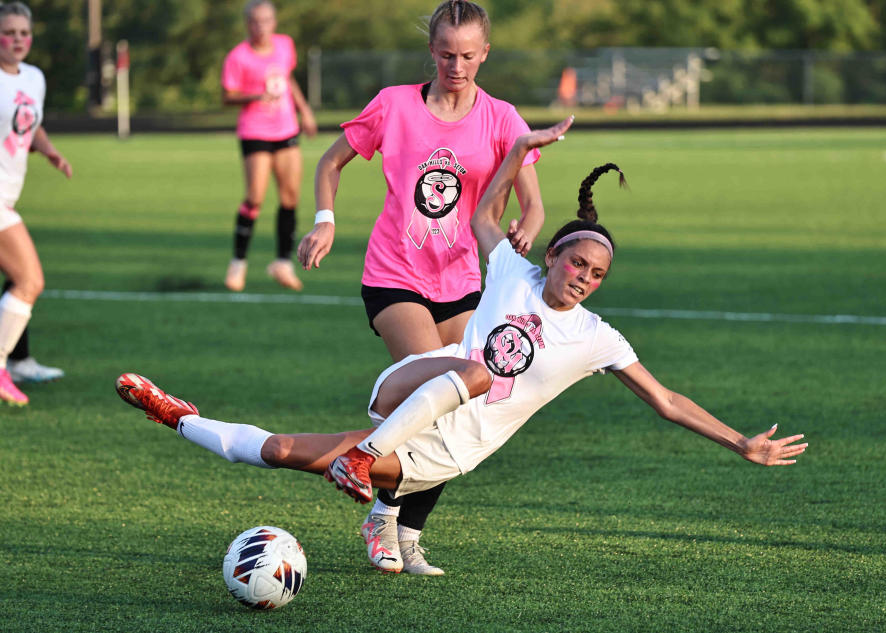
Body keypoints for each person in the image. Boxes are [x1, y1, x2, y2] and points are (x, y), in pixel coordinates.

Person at [114, 118, 808, 571]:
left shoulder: (598, 338)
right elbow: (482, 213)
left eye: (597, 275)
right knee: (477, 368)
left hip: (436, 452)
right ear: (556, 254)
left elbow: (666, 399)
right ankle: (364, 465)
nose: (585, 279)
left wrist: (739, 441)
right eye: (576, 264)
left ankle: (178, 415)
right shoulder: (508, 265)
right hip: (420, 387)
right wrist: (515, 151)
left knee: (277, 450)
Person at [296, 1, 546, 574]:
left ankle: (405, 529)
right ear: (430, 51)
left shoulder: (504, 118)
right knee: (438, 384)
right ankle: (383, 517)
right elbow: (331, 163)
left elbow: (533, 208)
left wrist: (522, 235)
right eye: (445, 53)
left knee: (461, 406)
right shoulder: (394, 104)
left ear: (485, 53)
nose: (456, 65)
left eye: (467, 55)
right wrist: (325, 221)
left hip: (463, 283)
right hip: (393, 276)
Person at [0, 2, 72, 406]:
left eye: (23, 33)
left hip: (8, 195)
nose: (17, 40)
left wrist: (48, 151)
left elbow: (32, 121)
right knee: (29, 280)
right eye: (8, 32)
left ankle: (18, 361)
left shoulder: (34, 77)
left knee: (18, 280)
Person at [221, 0, 317, 293]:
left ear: (273, 22)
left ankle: (282, 263)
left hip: (286, 129)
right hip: (255, 131)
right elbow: (227, 96)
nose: (260, 26)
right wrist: (254, 96)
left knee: (290, 197)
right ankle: (238, 263)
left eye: (265, 20)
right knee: (254, 198)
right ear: (247, 24)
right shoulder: (238, 57)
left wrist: (305, 110)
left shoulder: (285, 45)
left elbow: (288, 80)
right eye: (254, 21)